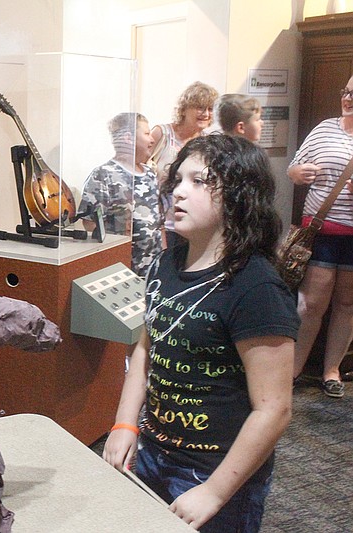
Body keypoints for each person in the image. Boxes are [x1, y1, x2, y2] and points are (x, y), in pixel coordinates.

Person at [102, 135, 299, 532]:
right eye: (177, 180)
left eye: (198, 181)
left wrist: (214, 491)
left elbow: (274, 409)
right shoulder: (165, 262)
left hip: (216, 470)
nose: (178, 192)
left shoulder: (256, 288)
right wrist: (125, 423)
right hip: (154, 452)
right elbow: (146, 347)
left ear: (239, 196)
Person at [288, 75, 353, 398]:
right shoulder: (325, 128)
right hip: (321, 230)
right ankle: (294, 369)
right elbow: (294, 166)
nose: (348, 98)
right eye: (346, 91)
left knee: (347, 303)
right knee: (312, 304)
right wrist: (297, 174)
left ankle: (331, 371)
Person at [78, 112, 163, 277]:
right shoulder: (104, 175)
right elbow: (90, 224)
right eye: (146, 134)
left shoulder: (150, 173)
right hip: (122, 270)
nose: (152, 139)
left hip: (153, 271)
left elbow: (158, 223)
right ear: (128, 138)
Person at [150, 81, 219, 248]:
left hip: (191, 222)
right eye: (200, 108)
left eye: (210, 109)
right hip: (158, 223)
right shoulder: (162, 134)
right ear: (184, 109)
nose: (205, 114)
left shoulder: (206, 142)